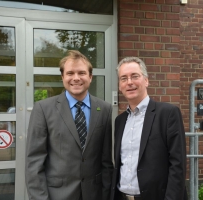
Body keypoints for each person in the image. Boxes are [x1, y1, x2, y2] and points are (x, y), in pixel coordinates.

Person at [25, 50, 113, 200]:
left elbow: (105, 161)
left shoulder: (104, 109)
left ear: (90, 77)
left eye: (82, 73)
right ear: (63, 77)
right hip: (57, 195)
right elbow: (34, 162)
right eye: (70, 73)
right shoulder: (43, 109)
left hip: (94, 194)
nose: (76, 78)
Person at [110, 57, 188, 200]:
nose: (129, 82)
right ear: (120, 86)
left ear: (146, 80)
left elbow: (178, 165)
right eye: (124, 78)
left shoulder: (168, 114)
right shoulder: (119, 121)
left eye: (135, 76)